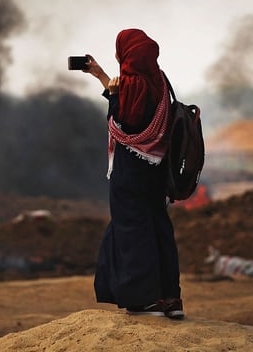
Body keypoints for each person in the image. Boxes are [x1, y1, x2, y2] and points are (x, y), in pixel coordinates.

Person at [83, 28, 184, 319]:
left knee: (132, 231)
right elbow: (136, 111)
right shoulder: (160, 82)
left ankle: (146, 300)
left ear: (125, 53)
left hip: (130, 173)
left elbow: (123, 125)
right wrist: (102, 77)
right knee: (158, 227)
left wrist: (113, 94)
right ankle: (171, 299)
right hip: (157, 170)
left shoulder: (130, 86)